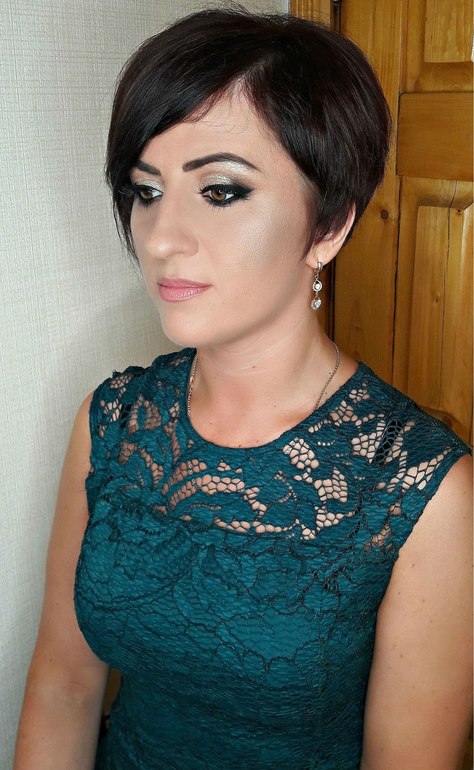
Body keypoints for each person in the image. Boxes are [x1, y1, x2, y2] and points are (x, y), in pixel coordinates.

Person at [14, 8, 472, 770]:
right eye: (146, 191)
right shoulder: (114, 422)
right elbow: (63, 686)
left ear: (328, 226)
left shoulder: (420, 490)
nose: (161, 237)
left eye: (221, 191)